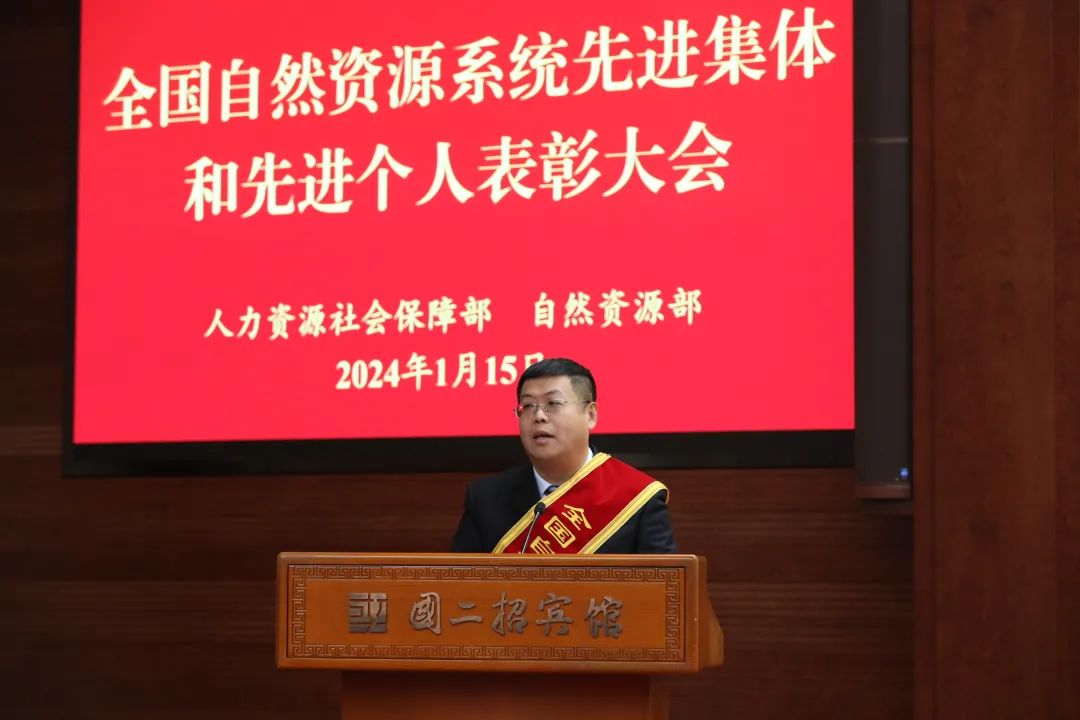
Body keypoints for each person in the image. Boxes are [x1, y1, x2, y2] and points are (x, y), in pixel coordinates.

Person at [451, 357, 677, 554]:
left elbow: (662, 586)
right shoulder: (486, 498)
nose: (539, 416)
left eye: (553, 404)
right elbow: (461, 583)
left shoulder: (636, 497)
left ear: (590, 415)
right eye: (528, 406)